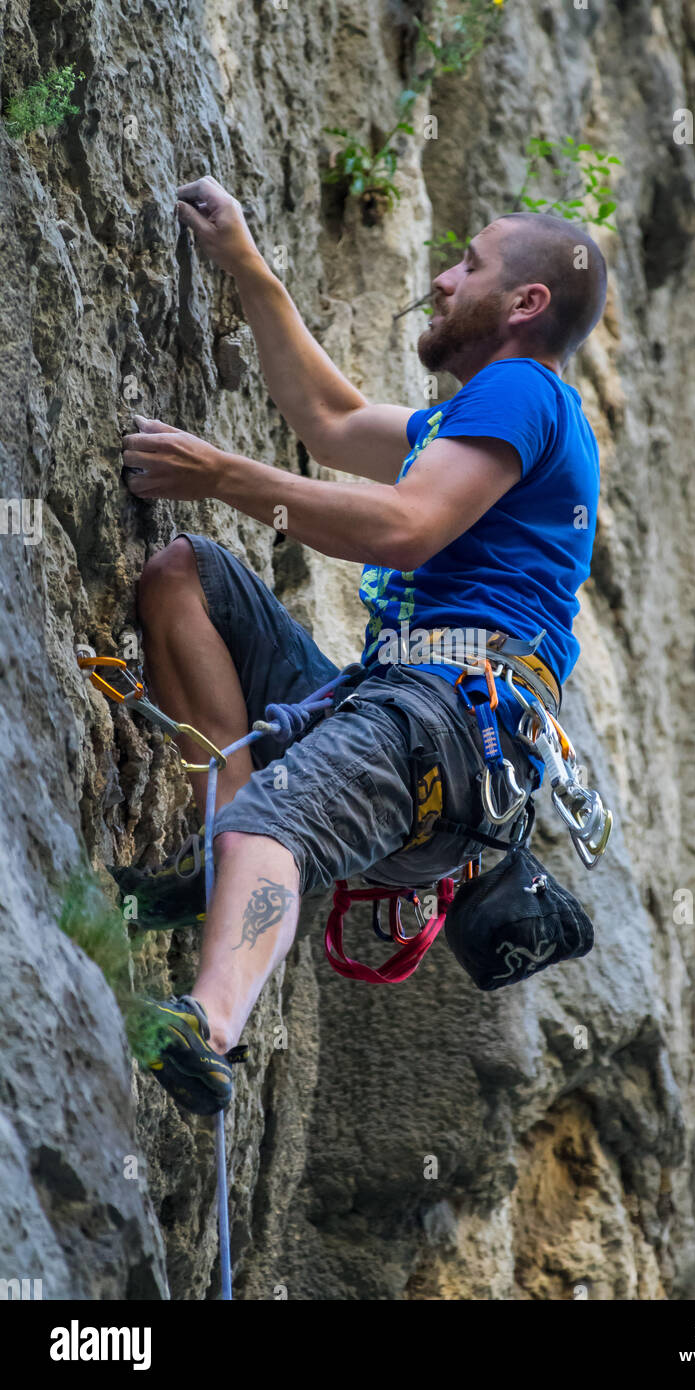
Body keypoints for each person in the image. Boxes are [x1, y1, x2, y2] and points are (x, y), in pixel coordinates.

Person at [119, 176, 607, 1114]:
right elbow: (333, 422)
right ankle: (229, 847)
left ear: (525, 303)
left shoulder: (521, 390)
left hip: (446, 722)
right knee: (185, 576)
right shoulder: (480, 420)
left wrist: (222, 474)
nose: (439, 278)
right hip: (420, 729)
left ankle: (210, 1020)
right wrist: (247, 264)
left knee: (280, 822)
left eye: (468, 264)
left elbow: (403, 529)